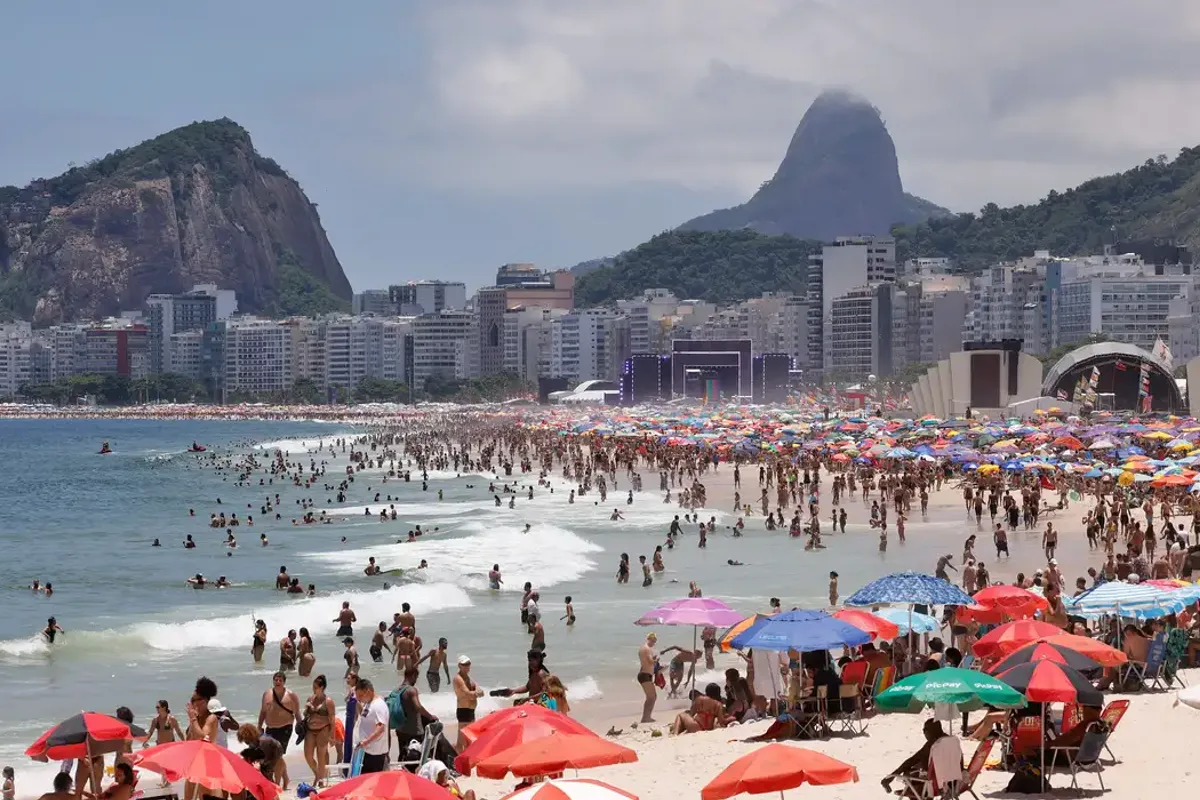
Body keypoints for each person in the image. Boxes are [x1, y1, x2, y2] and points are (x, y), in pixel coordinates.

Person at [882, 719, 962, 798]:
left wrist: (892, 776)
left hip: (934, 787)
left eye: (924, 730)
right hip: (953, 784)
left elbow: (912, 760)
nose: (924, 733)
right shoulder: (952, 741)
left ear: (930, 731)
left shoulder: (935, 745)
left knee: (909, 774)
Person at [258, 671, 301, 766]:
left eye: (280, 680)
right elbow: (263, 712)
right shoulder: (267, 694)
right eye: (276, 680)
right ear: (273, 681)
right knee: (267, 754)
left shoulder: (291, 695)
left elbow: (297, 713)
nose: (278, 682)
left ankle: (279, 778)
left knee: (278, 755)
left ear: (284, 682)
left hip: (285, 729)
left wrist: (301, 729)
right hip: (270, 729)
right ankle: (281, 777)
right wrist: (259, 727)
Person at [303, 675, 336, 787]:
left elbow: (332, 719)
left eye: (315, 687)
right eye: (313, 687)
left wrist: (332, 736)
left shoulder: (328, 701)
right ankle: (317, 773)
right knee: (308, 755)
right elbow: (306, 715)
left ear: (321, 688)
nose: (313, 689)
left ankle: (321, 779)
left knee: (321, 754)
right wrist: (307, 709)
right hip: (310, 729)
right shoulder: (310, 699)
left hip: (323, 729)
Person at [353, 679, 391, 774]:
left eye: (360, 696)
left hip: (376, 754)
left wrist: (366, 742)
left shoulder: (378, 705)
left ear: (368, 691)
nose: (359, 699)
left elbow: (380, 727)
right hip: (367, 752)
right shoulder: (368, 704)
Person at [453, 655, 484, 751]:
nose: (467, 666)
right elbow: (468, 694)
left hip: (471, 710)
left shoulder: (468, 678)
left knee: (469, 740)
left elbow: (481, 691)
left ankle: (465, 761)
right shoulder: (458, 678)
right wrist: (476, 693)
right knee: (462, 742)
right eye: (464, 664)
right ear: (459, 665)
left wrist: (476, 693)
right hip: (463, 710)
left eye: (468, 664)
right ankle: (459, 762)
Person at [637, 633, 659, 723]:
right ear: (649, 639)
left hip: (644, 674)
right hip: (645, 675)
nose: (654, 643)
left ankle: (646, 717)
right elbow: (650, 662)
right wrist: (656, 661)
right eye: (653, 641)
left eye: (655, 641)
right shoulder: (647, 649)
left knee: (650, 697)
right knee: (652, 697)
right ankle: (646, 717)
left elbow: (645, 662)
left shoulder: (642, 649)